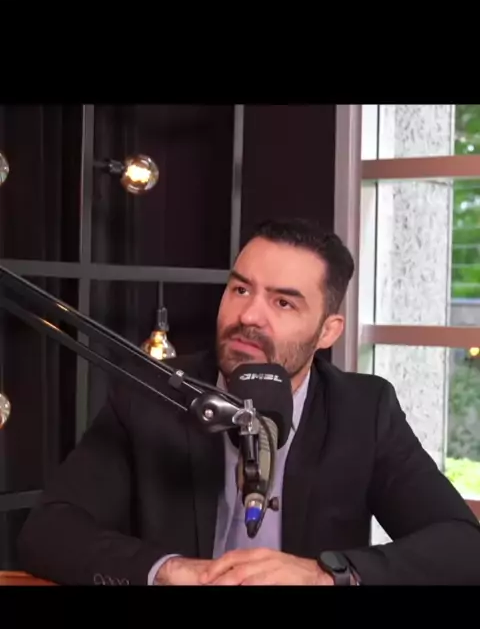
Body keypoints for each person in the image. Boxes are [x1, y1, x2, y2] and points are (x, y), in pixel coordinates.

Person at [17, 218, 480, 586]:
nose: (249, 316)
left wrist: (324, 576)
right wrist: (170, 570)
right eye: (240, 289)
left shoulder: (364, 411)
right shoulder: (152, 392)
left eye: (283, 303)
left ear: (328, 331)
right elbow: (47, 532)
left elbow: (463, 546)